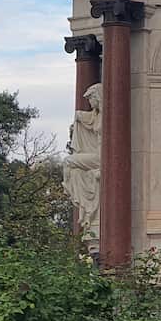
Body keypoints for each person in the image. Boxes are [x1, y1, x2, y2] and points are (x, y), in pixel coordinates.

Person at [63, 83, 103, 231]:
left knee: (68, 161)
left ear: (98, 97)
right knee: (76, 172)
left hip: (102, 157)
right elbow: (85, 118)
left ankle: (66, 188)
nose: (89, 101)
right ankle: (85, 208)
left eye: (91, 97)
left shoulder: (106, 116)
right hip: (96, 155)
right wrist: (78, 116)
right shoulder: (96, 115)